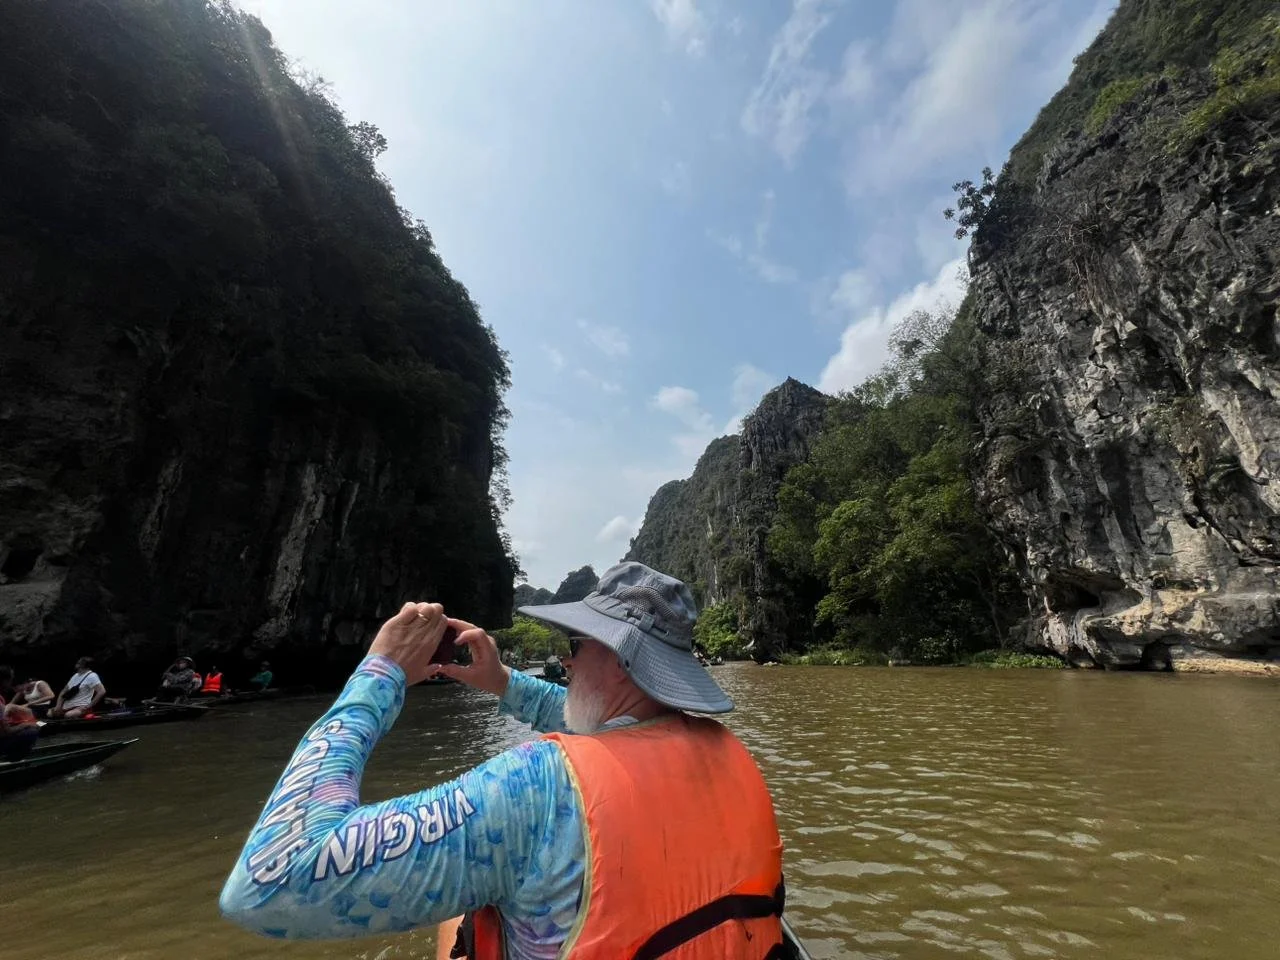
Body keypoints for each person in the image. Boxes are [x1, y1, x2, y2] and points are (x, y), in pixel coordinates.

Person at [220, 562, 786, 959]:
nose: (566, 664)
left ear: (619, 662)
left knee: (461, 911)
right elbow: (605, 730)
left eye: (575, 646)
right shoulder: (723, 748)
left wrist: (378, 675)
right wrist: (500, 681)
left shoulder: (536, 784)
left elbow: (269, 880)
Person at [0, 669, 40, 762]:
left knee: (38, 723)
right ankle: (14, 760)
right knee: (32, 730)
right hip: (29, 712)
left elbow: (50, 696)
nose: (14, 688)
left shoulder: (40, 684)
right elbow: (10, 705)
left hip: (38, 709)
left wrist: (30, 704)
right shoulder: (21, 692)